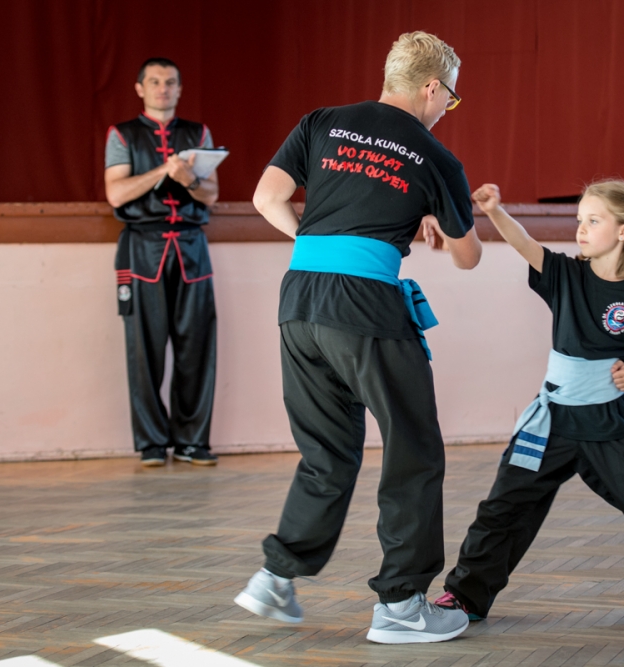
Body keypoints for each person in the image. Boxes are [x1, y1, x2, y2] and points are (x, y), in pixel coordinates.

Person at [234, 32, 482, 644]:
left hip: (299, 299)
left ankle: (275, 577)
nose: (446, 109)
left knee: (326, 451)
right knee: (412, 449)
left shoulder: (322, 121)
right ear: (432, 88)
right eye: (450, 98)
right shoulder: (435, 156)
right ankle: (401, 607)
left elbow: (267, 197)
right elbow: (468, 256)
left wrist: (327, 243)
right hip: (365, 305)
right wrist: (434, 220)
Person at [433, 180, 624, 624]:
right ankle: (466, 594)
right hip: (549, 422)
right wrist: (494, 211)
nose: (581, 229)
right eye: (579, 219)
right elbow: (524, 244)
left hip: (607, 423)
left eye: (593, 220)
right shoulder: (565, 274)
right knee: (505, 505)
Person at [104, 57, 220, 467]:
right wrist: (163, 171)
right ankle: (152, 442)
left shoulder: (198, 133)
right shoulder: (122, 134)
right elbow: (116, 194)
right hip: (142, 249)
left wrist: (189, 179)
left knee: (197, 347)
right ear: (140, 88)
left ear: (179, 88)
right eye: (154, 82)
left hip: (191, 247)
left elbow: (210, 195)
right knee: (144, 349)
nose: (163, 88)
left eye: (170, 82)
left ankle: (192, 441)